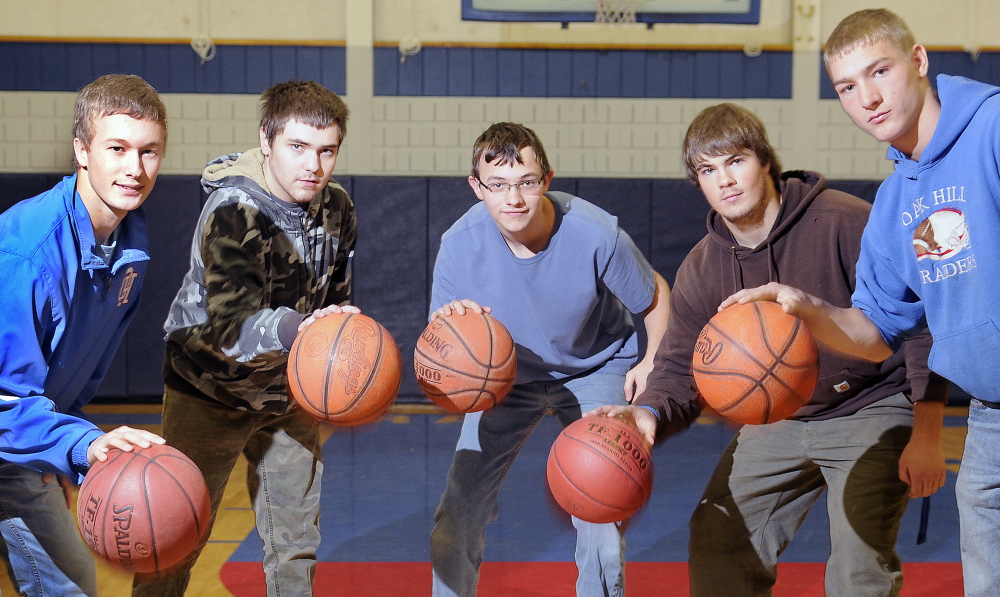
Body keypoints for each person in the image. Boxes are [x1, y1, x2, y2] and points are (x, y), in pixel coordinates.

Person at [589, 102, 948, 596]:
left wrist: (928, 430)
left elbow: (925, 316)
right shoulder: (701, 268)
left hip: (873, 403)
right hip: (779, 415)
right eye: (708, 170)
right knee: (719, 539)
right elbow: (678, 366)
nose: (725, 180)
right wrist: (649, 411)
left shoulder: (845, 222)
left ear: (764, 161)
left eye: (735, 161)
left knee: (858, 565)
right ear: (698, 184)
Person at [720, 9, 1000, 596]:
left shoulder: (993, 127)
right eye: (848, 86)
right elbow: (875, 330)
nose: (867, 97)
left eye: (880, 71)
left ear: (918, 62)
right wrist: (803, 308)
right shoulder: (896, 202)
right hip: (990, 417)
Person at [131, 80, 356, 597]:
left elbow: (333, 306)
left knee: (296, 541)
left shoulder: (338, 209)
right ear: (266, 140)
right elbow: (230, 326)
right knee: (175, 537)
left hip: (288, 393)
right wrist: (305, 329)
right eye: (297, 147)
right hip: (208, 389)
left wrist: (343, 347)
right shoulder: (233, 209)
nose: (313, 166)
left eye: (327, 151)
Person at [428, 122, 671, 597]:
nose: (513, 197)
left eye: (526, 181)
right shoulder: (458, 245)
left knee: (601, 508)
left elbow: (655, 294)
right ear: (477, 188)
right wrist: (452, 329)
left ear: (547, 179)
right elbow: (441, 346)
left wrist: (652, 363)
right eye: (497, 184)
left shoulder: (595, 233)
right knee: (459, 509)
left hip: (594, 366)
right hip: (505, 378)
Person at [0, 74, 168, 597]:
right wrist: (83, 443)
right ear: (81, 150)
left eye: (149, 151)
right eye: (116, 148)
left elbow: (76, 370)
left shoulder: (130, 241)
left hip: (18, 446)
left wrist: (65, 451)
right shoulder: (27, 255)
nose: (134, 170)